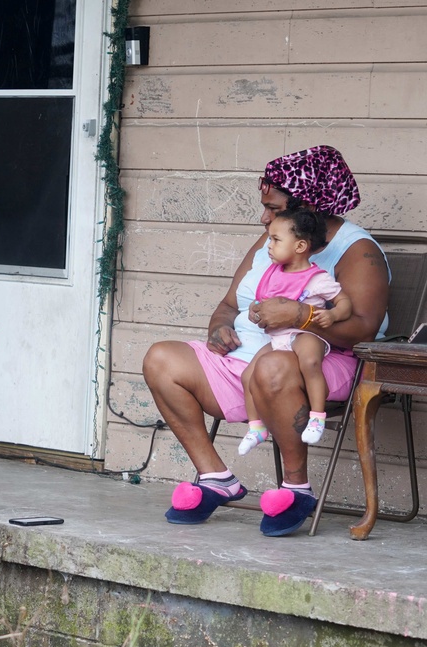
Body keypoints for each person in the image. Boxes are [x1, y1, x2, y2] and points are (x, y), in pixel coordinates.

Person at [142, 145, 389, 537]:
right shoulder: (272, 241)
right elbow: (227, 305)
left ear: (309, 206)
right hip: (246, 360)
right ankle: (216, 478)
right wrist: (218, 329)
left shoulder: (358, 251)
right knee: (160, 358)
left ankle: (296, 489)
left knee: (274, 365)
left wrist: (300, 316)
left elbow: (365, 330)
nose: (264, 217)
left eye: (273, 208)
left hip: (316, 364)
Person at [237, 208, 352, 456]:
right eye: (270, 238)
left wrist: (332, 315)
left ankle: (317, 417)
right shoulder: (272, 273)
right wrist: (255, 311)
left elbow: (345, 303)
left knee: (310, 363)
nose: (269, 245)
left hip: (306, 335)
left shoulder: (316, 278)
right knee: (248, 375)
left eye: (276, 240)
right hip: (278, 338)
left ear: (300, 246)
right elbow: (262, 301)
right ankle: (256, 427)